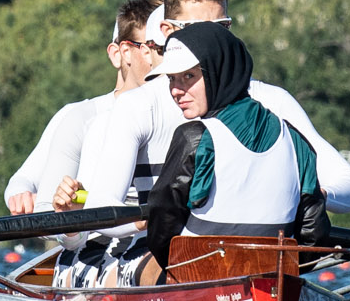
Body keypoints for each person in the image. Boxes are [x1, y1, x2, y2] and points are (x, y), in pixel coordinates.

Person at [65, 0, 350, 219]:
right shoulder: (138, 107)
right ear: (167, 33)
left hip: (245, 257)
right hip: (157, 254)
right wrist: (159, 219)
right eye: (196, 30)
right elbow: (102, 211)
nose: (213, 44)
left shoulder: (271, 102)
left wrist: (307, 192)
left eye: (220, 29)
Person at [137, 22, 329, 271]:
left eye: (189, 76)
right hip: (272, 282)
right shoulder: (295, 140)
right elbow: (313, 240)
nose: (175, 90)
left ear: (220, 71)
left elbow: (160, 230)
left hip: (198, 277)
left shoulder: (195, 137)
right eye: (172, 79)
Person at [4, 0, 165, 214]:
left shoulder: (188, 111)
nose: (160, 59)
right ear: (119, 54)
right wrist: (23, 195)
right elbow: (25, 180)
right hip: (96, 242)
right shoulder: (81, 117)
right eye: (153, 48)